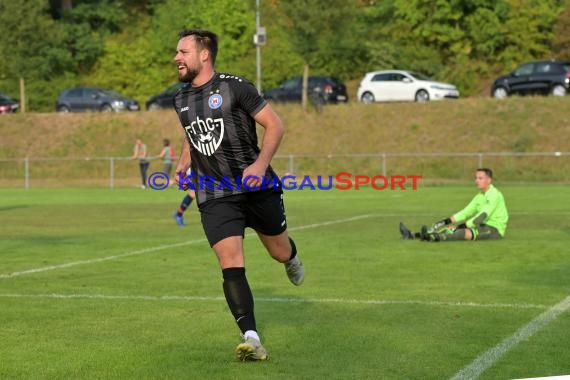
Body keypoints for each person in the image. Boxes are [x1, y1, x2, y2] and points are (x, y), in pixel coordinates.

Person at [172, 29, 304, 362]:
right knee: (230, 261)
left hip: (256, 187)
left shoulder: (236, 87)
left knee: (278, 251)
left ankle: (291, 257)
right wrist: (184, 161)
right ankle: (252, 337)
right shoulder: (180, 98)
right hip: (214, 193)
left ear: (204, 55)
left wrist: (260, 165)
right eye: (177, 52)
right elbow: (193, 134)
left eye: (183, 51)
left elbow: (275, 125)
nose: (177, 58)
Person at [399, 168, 509, 242]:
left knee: (462, 232)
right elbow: (464, 213)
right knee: (451, 228)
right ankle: (412, 235)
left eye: (480, 178)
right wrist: (443, 222)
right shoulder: (480, 196)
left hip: (495, 230)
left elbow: (479, 219)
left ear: (489, 180)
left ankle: (434, 238)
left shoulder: (494, 195)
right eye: (476, 178)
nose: (476, 181)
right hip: (483, 226)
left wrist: (457, 226)